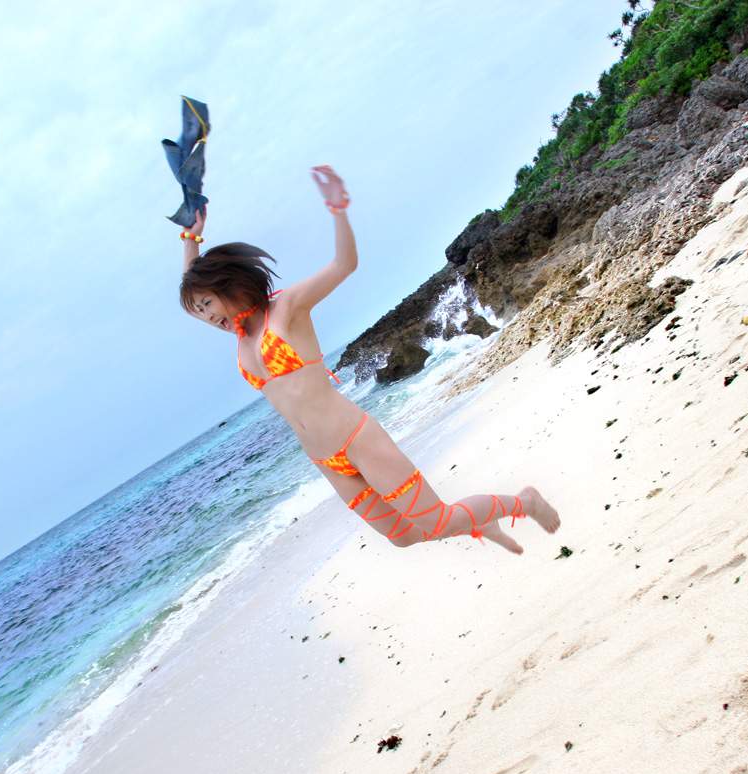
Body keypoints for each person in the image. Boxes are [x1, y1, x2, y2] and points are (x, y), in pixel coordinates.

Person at [178, 165, 560, 552]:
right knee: (404, 537)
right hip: (324, 460)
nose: (208, 316)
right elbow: (196, 282)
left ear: (227, 286)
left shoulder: (287, 308)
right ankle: (479, 522)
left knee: (437, 521)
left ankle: (523, 502)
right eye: (200, 311)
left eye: (208, 304)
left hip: (355, 438)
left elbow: (344, 265)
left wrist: (338, 211)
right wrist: (190, 237)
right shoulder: (241, 339)